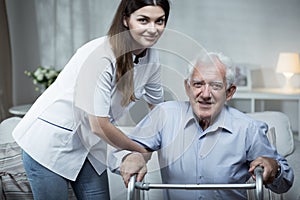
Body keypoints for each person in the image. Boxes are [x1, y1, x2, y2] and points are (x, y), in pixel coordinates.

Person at [12, 0, 171, 199]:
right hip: (50, 144)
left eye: (160, 21)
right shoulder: (100, 56)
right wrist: (139, 151)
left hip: (90, 147)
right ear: (125, 20)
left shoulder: (153, 60)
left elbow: (160, 110)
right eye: (143, 20)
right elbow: (98, 125)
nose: (153, 29)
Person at [111, 52, 294, 200]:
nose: (205, 94)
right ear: (187, 87)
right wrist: (129, 156)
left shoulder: (249, 129)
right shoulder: (164, 115)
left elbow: (285, 181)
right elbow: (118, 152)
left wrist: (274, 168)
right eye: (198, 84)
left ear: (229, 92)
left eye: (215, 85)